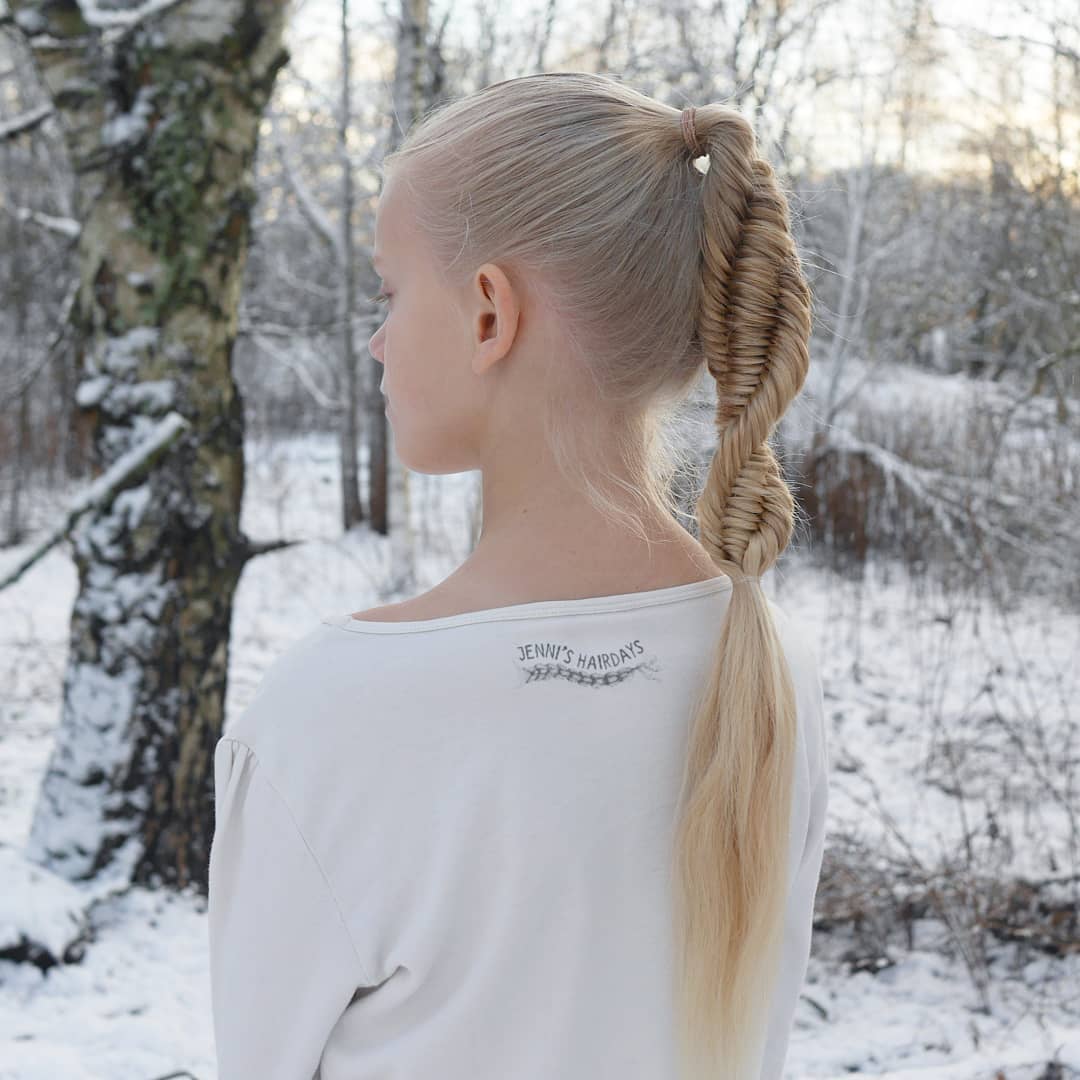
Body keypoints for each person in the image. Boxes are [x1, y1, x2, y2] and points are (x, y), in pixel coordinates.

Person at [207, 71, 829, 1080]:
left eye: (390, 290)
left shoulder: (332, 715)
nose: (376, 338)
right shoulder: (770, 666)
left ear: (489, 313)